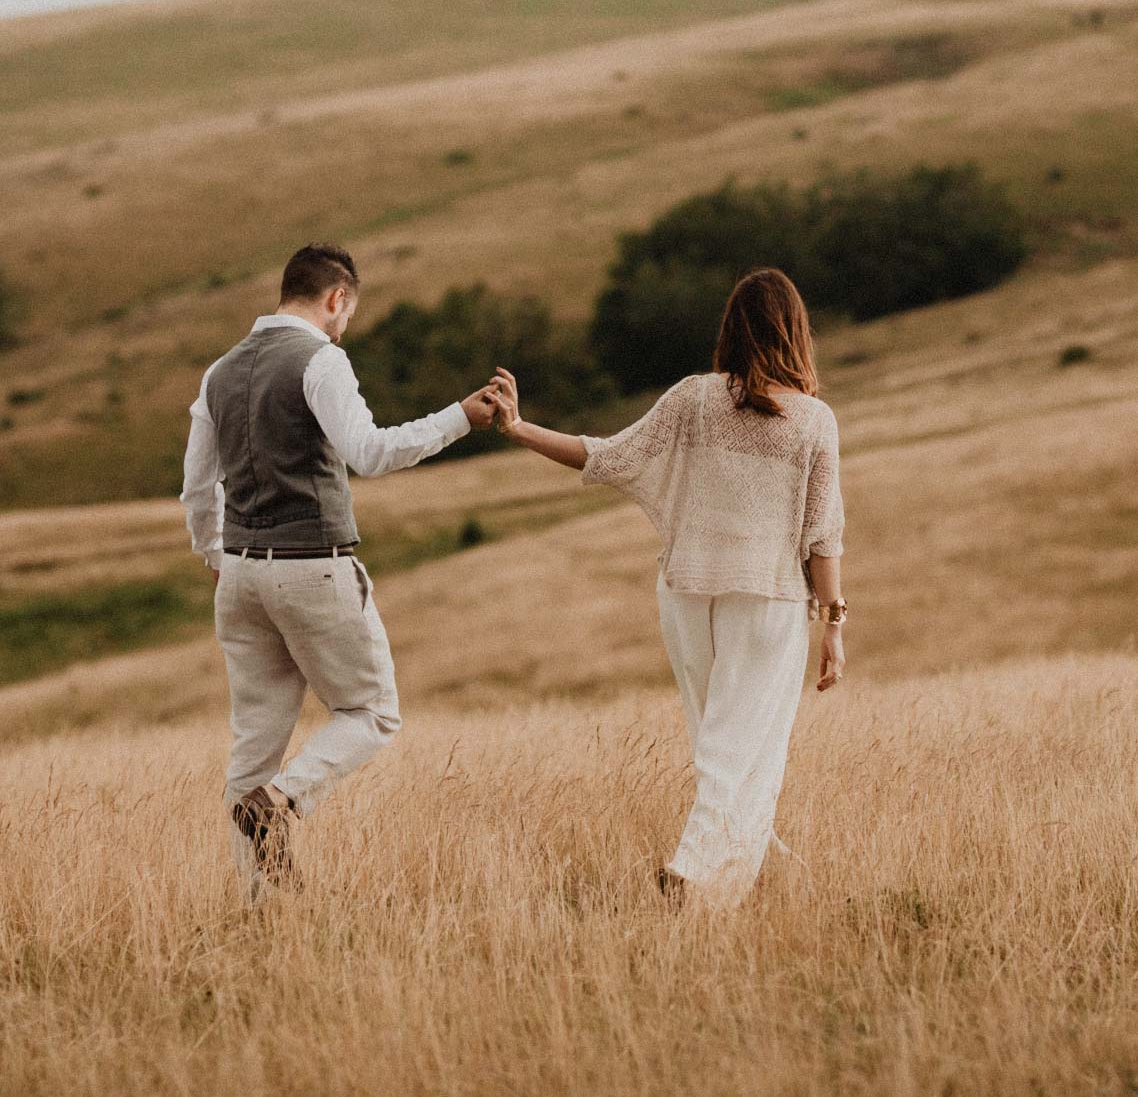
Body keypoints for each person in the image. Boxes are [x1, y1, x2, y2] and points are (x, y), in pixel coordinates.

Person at [488, 266, 846, 906]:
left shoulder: (691, 399)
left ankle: (745, 899)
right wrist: (836, 624)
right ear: (795, 332)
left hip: (685, 593)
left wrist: (518, 428)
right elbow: (822, 536)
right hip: (767, 602)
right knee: (739, 747)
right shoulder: (815, 421)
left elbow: (605, 455)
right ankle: (691, 868)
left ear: (731, 329)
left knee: (722, 741)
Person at [180, 242, 498, 892]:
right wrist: (460, 417)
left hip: (239, 575)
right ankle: (284, 801)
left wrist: (217, 556)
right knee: (372, 710)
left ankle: (260, 908)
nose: (344, 324)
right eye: (346, 312)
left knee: (253, 744)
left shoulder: (219, 371)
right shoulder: (320, 359)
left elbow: (195, 486)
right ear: (335, 298)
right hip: (312, 566)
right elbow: (370, 451)